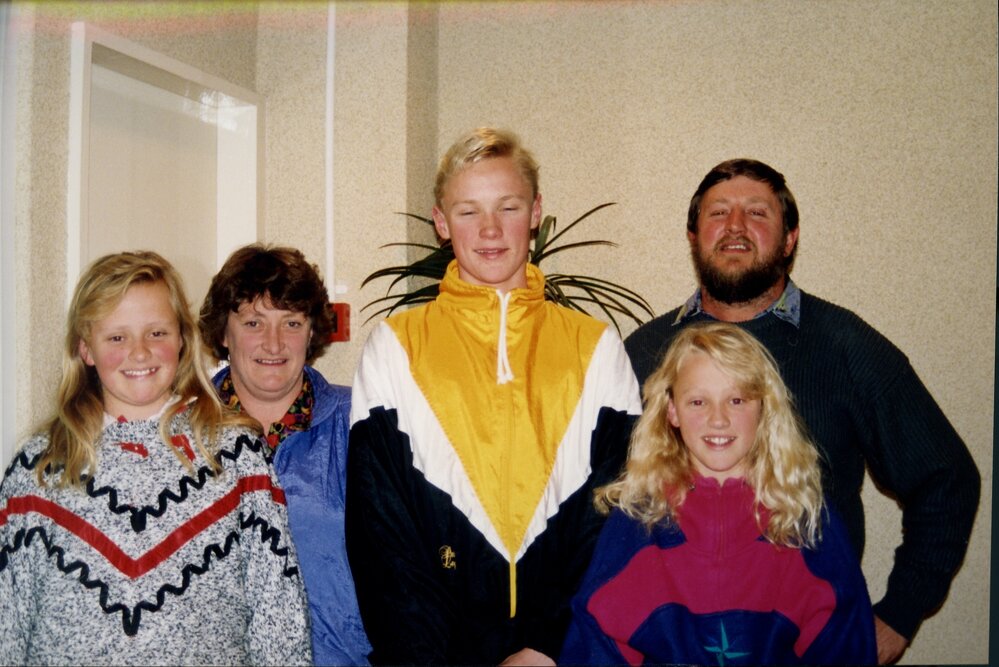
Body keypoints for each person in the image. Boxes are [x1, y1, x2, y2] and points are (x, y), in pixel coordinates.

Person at [624, 158, 980, 664]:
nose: (735, 227)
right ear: (693, 235)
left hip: (811, 649)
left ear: (790, 238)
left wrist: (899, 616)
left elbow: (947, 477)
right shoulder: (643, 353)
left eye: (757, 213)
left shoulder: (846, 347)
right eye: (718, 213)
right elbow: (599, 506)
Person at [345, 127, 641, 665]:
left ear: (536, 213)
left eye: (507, 207)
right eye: (467, 211)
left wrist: (547, 647)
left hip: (565, 653)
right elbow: (380, 531)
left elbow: (618, 508)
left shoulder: (596, 346)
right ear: (440, 222)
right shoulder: (393, 347)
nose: (489, 229)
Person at [0, 251, 311, 665]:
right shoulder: (37, 469)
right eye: (117, 338)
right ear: (85, 349)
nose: (140, 352)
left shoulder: (239, 457)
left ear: (182, 340)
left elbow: (280, 620)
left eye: (157, 333)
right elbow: (8, 622)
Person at [561, 322, 876, 665]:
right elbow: (594, 646)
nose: (719, 419)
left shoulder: (809, 521)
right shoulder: (637, 521)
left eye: (737, 399)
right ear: (672, 411)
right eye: (698, 401)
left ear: (764, 408)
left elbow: (846, 646)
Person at [199, 244, 371, 666]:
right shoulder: (183, 435)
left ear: (312, 332)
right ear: (224, 332)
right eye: (254, 322)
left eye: (291, 322)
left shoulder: (360, 422)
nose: (273, 343)